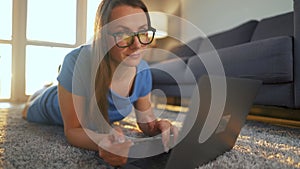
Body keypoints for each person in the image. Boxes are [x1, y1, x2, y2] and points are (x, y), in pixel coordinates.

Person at [22, 0, 178, 167]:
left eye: (142, 32)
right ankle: (45, 89)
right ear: (102, 35)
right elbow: (73, 130)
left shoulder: (143, 71)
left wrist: (157, 127)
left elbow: (145, 119)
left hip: (76, 91)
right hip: (50, 103)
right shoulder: (76, 61)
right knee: (27, 108)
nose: (137, 45)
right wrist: (102, 141)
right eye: (124, 35)